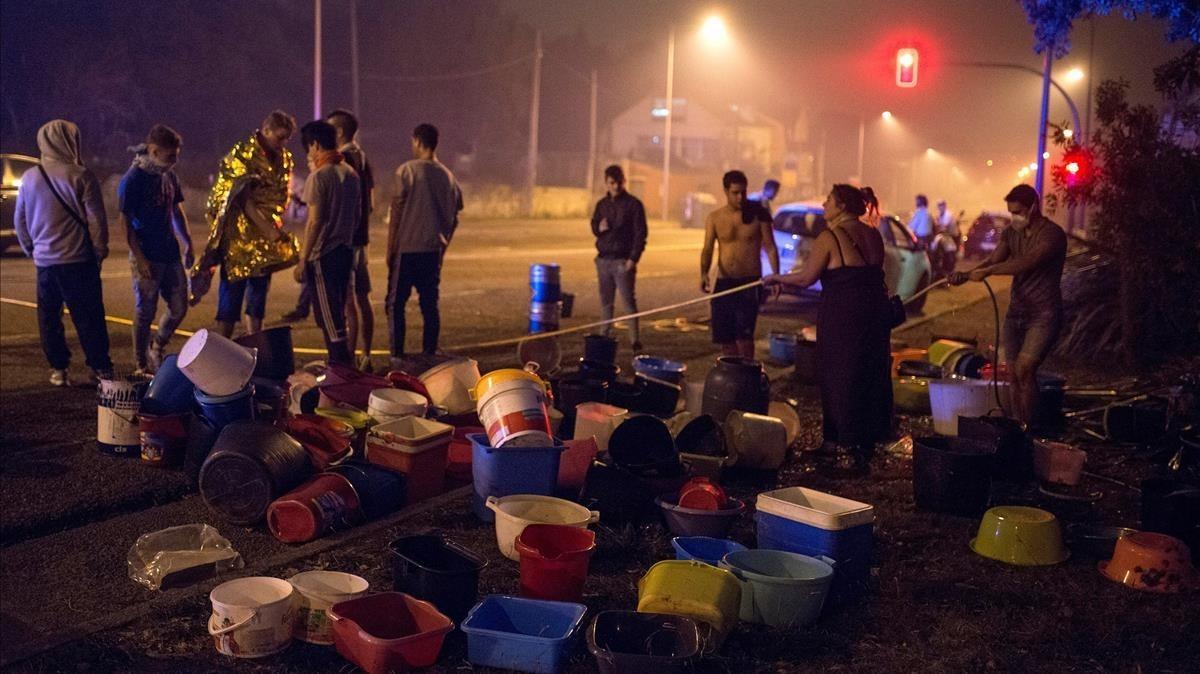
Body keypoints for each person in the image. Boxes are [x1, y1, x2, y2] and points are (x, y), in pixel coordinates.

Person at [764, 185, 892, 474]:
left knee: (838, 375)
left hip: (842, 316)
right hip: (873, 316)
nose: (824, 205)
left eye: (829, 201)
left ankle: (843, 445)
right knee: (868, 374)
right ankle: (858, 443)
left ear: (842, 206)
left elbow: (807, 277)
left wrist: (776, 278)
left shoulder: (829, 237)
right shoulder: (873, 234)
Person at [949, 184, 1067, 426]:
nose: (1014, 216)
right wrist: (966, 275)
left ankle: (1032, 429)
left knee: (1025, 369)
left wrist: (989, 271)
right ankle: (1018, 425)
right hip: (1017, 312)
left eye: (1018, 211)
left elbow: (1027, 262)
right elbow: (994, 258)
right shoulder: (1012, 233)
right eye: (1011, 211)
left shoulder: (1052, 234)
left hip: (1043, 313)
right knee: (1013, 373)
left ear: (1033, 207)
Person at [14, 119, 114, 386]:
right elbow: (96, 220)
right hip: (79, 261)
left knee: (49, 319)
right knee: (90, 317)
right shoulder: (81, 175)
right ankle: (99, 368)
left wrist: (31, 249)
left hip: (45, 264)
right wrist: (99, 250)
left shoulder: (29, 177)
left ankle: (59, 369)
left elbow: (20, 220)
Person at [192, 110, 299, 338]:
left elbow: (279, 195)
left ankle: (255, 345)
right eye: (279, 137)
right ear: (266, 130)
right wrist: (267, 228)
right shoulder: (243, 154)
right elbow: (240, 197)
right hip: (239, 239)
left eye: (286, 138)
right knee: (231, 294)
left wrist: (272, 228)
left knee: (259, 295)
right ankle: (223, 348)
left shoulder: (285, 158)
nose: (283, 143)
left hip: (265, 237)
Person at [120, 124, 193, 374]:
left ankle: (157, 344)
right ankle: (141, 363)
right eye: (169, 155)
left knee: (180, 306)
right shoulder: (134, 179)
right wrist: (139, 258)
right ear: (153, 151)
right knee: (145, 311)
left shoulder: (168, 175)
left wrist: (188, 242)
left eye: (176, 155)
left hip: (169, 252)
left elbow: (176, 210)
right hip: (147, 254)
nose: (174, 161)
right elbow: (125, 221)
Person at [386, 123, 463, 358]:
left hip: (407, 249)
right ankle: (429, 351)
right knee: (429, 305)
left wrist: (391, 248)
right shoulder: (448, 177)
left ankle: (397, 354)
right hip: (432, 251)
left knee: (396, 304)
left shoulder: (407, 171)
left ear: (418, 141)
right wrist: (443, 246)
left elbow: (397, 212)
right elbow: (455, 218)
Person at [294, 120, 361, 364]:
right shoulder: (350, 173)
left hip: (323, 255)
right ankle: (343, 369)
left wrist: (304, 259)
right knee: (339, 314)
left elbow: (315, 222)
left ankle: (340, 374)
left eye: (308, 147)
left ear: (314, 144)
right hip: (345, 251)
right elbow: (356, 215)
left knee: (329, 320)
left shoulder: (319, 177)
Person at [700, 170, 780, 358]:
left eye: (743, 192)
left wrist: (776, 277)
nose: (740, 197)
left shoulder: (759, 215)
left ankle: (747, 376)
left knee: (744, 336)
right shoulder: (715, 218)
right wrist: (703, 273)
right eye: (735, 193)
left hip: (749, 283)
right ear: (726, 191)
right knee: (725, 338)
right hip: (724, 283)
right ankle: (731, 375)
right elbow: (708, 248)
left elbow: (770, 247)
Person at [327, 109, 376, 370]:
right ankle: (366, 354)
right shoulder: (363, 156)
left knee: (348, 301)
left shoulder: (344, 158)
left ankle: (348, 360)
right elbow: (371, 199)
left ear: (339, 132)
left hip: (348, 240)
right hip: (362, 238)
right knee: (363, 296)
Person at [590, 164, 647, 351]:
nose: (615, 186)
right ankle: (604, 337)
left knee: (629, 302)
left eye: (619, 182)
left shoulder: (633, 205)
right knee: (606, 303)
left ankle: (635, 341)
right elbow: (594, 226)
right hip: (604, 260)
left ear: (624, 182)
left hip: (622, 260)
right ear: (606, 183)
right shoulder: (602, 205)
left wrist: (633, 259)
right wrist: (599, 228)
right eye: (612, 183)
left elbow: (641, 233)